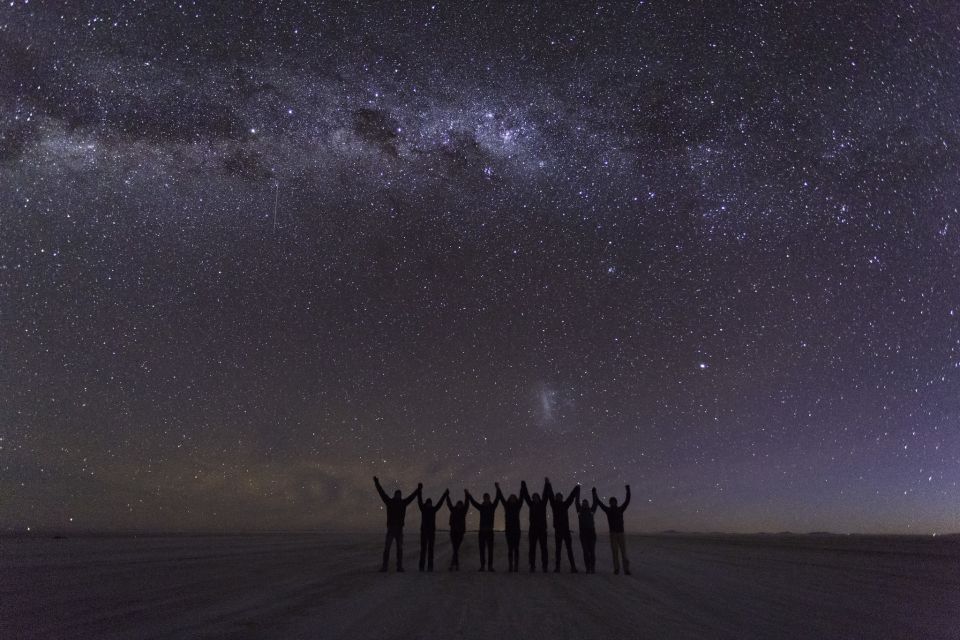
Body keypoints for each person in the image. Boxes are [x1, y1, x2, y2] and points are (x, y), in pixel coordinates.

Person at [373, 476, 420, 572]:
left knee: (399, 549)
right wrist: (377, 483)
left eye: (399, 495)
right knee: (387, 548)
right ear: (395, 495)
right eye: (397, 494)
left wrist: (418, 490)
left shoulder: (403, 503)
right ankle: (385, 566)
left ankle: (399, 567)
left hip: (399, 529)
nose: (398, 496)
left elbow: (411, 497)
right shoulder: (390, 502)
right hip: (391, 528)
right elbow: (381, 493)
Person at [593, 485, 632, 575]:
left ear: (616, 502)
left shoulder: (620, 509)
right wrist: (594, 493)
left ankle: (626, 569)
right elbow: (599, 503)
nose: (613, 503)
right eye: (612, 502)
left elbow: (627, 501)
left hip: (620, 533)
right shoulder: (608, 510)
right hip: (613, 534)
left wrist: (628, 490)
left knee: (623, 552)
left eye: (614, 502)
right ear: (610, 503)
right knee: (615, 552)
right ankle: (617, 569)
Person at [544, 479, 580, 573]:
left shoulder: (565, 504)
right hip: (558, 530)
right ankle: (558, 567)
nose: (558, 498)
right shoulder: (554, 505)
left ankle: (573, 567)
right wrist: (548, 484)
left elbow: (571, 497)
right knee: (558, 550)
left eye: (560, 497)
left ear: (561, 498)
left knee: (569, 549)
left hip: (566, 530)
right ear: (556, 498)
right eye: (557, 497)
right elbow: (551, 495)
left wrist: (576, 489)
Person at [466, 487, 502, 571]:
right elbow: (474, 503)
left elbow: (497, 498)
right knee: (482, 550)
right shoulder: (481, 507)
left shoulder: (492, 506)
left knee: (490, 550)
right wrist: (469, 495)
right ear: (484, 498)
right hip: (482, 531)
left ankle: (490, 566)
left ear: (489, 498)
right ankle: (482, 566)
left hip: (489, 531)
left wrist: (497, 488)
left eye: (487, 498)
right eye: (485, 498)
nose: (486, 499)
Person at [520, 478, 550, 572]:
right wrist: (524, 486)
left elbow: (545, 495)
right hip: (533, 530)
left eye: (537, 497)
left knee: (544, 548)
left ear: (539, 498)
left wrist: (547, 484)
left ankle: (545, 566)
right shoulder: (531, 504)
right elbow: (526, 495)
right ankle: (532, 566)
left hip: (542, 530)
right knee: (532, 549)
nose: (535, 498)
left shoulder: (543, 504)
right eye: (534, 497)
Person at [417, 488, 449, 572]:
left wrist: (444, 494)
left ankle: (430, 567)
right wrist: (419, 491)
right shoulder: (423, 509)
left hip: (431, 533)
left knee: (430, 550)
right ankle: (421, 567)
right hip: (424, 532)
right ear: (426, 503)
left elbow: (440, 503)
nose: (429, 505)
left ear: (431, 504)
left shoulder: (433, 510)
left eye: (430, 503)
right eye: (428, 503)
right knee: (423, 550)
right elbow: (419, 501)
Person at [496, 482, 523, 572]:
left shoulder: (518, 506)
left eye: (514, 498)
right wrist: (498, 488)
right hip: (509, 530)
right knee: (510, 549)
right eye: (511, 498)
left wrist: (523, 487)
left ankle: (516, 566)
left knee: (516, 548)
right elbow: (501, 497)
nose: (512, 499)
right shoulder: (506, 506)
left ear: (516, 499)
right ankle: (510, 565)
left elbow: (522, 497)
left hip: (516, 530)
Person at [445, 491, 470, 571]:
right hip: (453, 533)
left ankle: (453, 565)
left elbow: (467, 504)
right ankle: (455, 565)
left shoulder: (463, 511)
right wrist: (447, 496)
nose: (459, 505)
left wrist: (467, 495)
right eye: (458, 504)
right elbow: (449, 504)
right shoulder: (453, 510)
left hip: (460, 533)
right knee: (455, 549)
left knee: (456, 549)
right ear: (457, 505)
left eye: (460, 504)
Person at [575, 496, 598, 573]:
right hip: (584, 535)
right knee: (585, 552)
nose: (585, 505)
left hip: (591, 534)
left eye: (586, 503)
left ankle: (592, 567)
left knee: (592, 552)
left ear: (588, 504)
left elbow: (595, 504)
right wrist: (577, 491)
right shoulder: (579, 511)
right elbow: (576, 502)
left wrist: (594, 493)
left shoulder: (591, 511)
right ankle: (588, 568)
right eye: (583, 503)